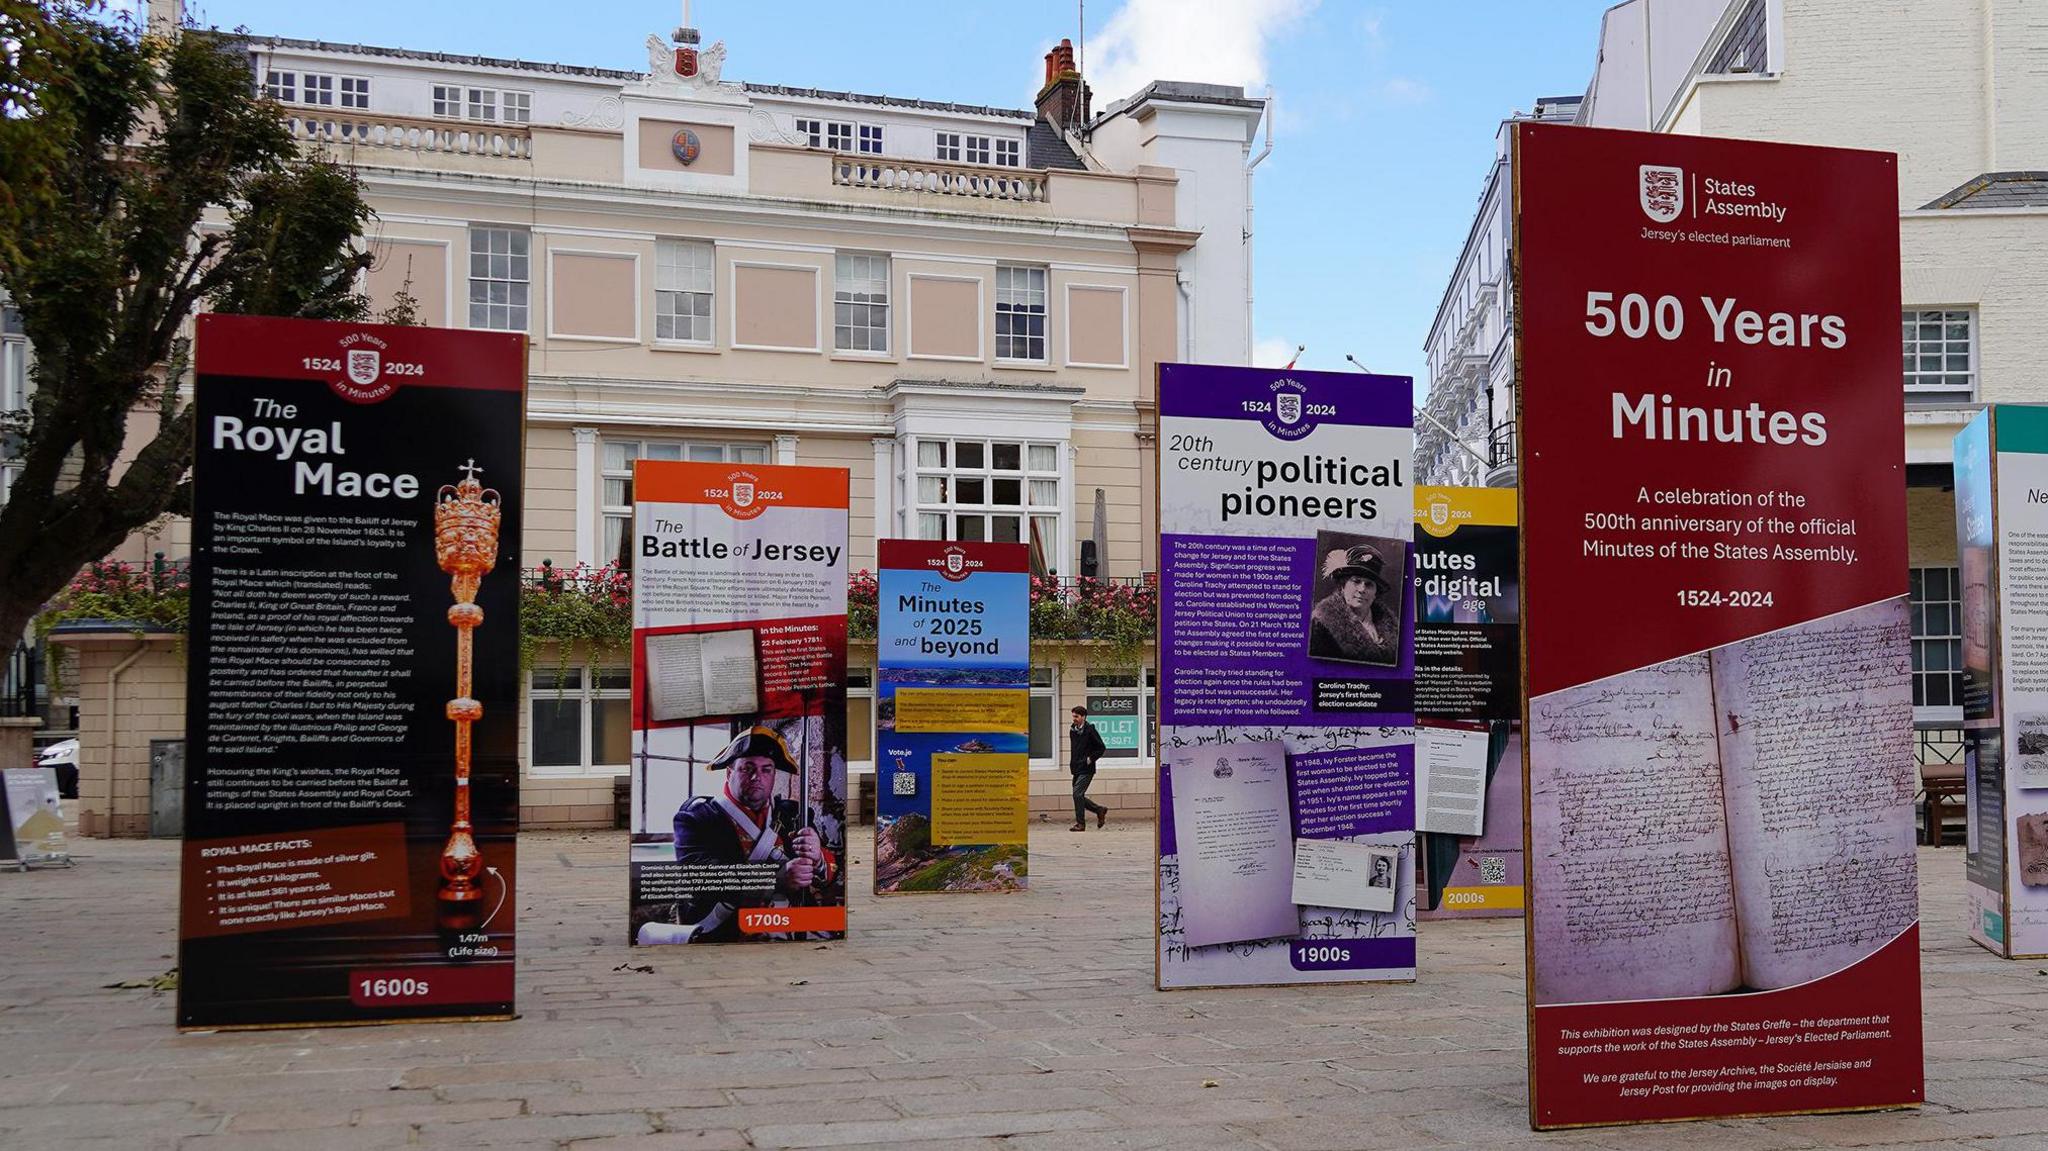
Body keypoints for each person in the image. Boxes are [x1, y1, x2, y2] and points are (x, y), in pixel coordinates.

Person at [649, 726, 836, 943]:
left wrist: (818, 859)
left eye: (767, 770)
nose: (757, 776)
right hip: (730, 929)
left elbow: (829, 873)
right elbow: (704, 876)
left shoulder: (792, 815)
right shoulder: (697, 817)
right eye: (748, 768)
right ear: (730, 773)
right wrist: (777, 879)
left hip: (792, 925)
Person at [1308, 545, 1401, 666]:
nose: (1362, 589)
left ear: (1375, 593)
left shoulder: (1394, 628)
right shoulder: (1321, 625)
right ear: (1343, 586)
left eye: (1369, 584)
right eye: (1356, 581)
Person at [1068, 705, 1109, 831]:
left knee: (1077, 794)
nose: (1074, 718)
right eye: (1073, 716)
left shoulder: (1090, 730)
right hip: (1076, 767)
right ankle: (1099, 810)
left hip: (1087, 768)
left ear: (1083, 717)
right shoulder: (1073, 730)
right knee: (1078, 795)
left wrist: (1090, 759)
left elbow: (1101, 747)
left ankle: (1080, 824)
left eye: (1076, 716)